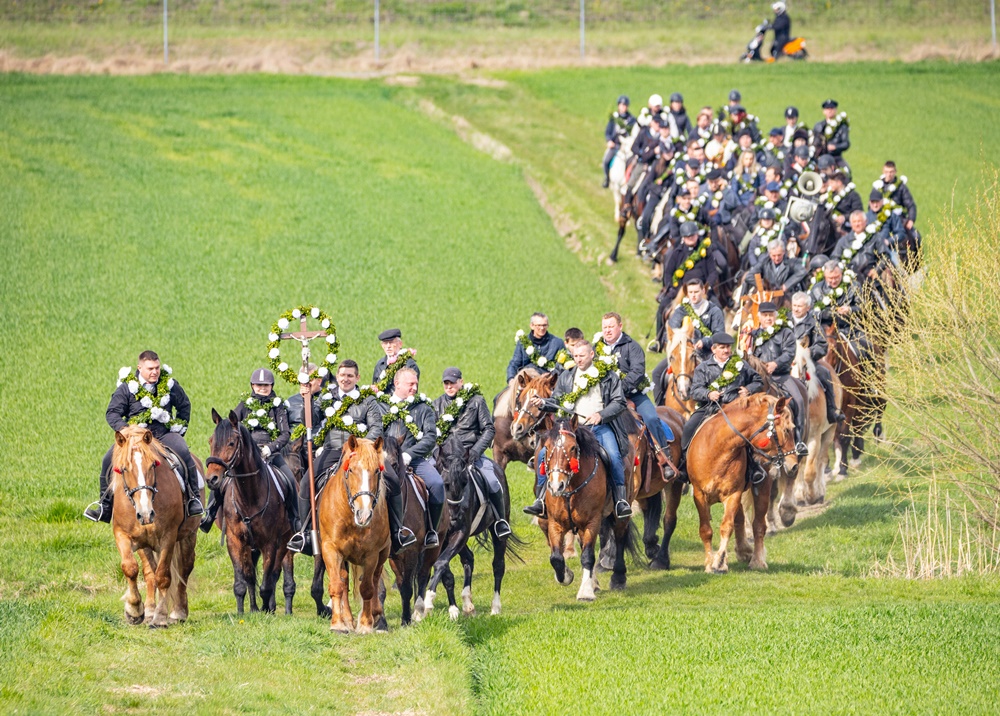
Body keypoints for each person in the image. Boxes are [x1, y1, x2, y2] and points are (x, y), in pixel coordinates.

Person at [287, 359, 415, 553]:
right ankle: (304, 534)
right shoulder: (326, 398)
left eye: (350, 375)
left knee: (392, 480)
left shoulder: (367, 400)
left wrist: (362, 448)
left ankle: (398, 531)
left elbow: (376, 428)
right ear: (337, 377)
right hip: (333, 448)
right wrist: (308, 399)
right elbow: (311, 420)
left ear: (357, 377)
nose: (345, 379)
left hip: (362, 452)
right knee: (306, 483)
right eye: (342, 375)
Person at [86, 350, 203, 523]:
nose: (154, 372)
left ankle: (194, 499)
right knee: (107, 460)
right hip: (134, 438)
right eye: (150, 368)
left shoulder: (169, 385)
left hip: (163, 435)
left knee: (184, 451)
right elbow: (112, 413)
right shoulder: (126, 388)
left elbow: (184, 405)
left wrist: (179, 428)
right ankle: (105, 505)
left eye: (156, 367)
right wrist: (126, 432)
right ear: (140, 368)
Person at [523, 341, 634, 519]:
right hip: (572, 428)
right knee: (544, 454)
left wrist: (601, 415)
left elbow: (619, 402)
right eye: (575, 356)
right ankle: (541, 499)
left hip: (600, 426)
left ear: (591, 355)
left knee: (613, 456)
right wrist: (543, 403)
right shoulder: (566, 376)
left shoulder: (608, 376)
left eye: (582, 355)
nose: (578, 359)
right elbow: (558, 400)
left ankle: (620, 500)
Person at [201, 368, 299, 533]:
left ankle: (296, 520)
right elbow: (232, 425)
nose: (262, 388)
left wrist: (270, 448)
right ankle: (210, 514)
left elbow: (285, 434)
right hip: (247, 454)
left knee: (289, 479)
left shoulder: (277, 406)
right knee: (221, 479)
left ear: (271, 386)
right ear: (252, 385)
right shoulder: (245, 404)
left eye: (266, 385)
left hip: (271, 453)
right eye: (259, 385)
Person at [432, 367, 512, 538]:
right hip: (446, 459)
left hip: (470, 455)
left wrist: (476, 450)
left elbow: (489, 429)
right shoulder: (436, 405)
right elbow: (432, 435)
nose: (449, 386)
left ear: (461, 382)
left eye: (453, 383)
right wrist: (437, 454)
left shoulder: (476, 401)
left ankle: (500, 521)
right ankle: (429, 527)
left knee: (492, 480)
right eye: (446, 383)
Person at [678, 333, 763, 477]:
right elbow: (695, 390)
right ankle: (684, 464)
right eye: (722, 348)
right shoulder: (703, 367)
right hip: (710, 408)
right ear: (713, 349)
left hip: (736, 409)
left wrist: (748, 389)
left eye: (728, 347)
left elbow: (758, 380)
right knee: (689, 427)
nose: (726, 351)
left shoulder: (741, 365)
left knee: (751, 431)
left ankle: (753, 468)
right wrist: (708, 394)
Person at [599, 313, 674, 472]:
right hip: (605, 398)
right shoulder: (597, 348)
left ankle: (665, 458)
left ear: (620, 326)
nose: (608, 331)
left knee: (652, 418)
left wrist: (619, 389)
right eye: (605, 327)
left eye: (611, 327)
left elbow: (637, 372)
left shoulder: (632, 346)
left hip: (633, 394)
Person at [380, 367, 446, 547]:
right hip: (385, 461)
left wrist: (409, 454)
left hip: (414, 460)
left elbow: (430, 437)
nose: (414, 388)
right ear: (397, 384)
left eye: (416, 384)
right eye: (410, 384)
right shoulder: (381, 406)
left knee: (437, 484)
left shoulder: (423, 408)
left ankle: (431, 530)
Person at [749, 303, 808, 454]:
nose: (768, 318)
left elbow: (789, 352)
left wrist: (776, 363)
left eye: (771, 315)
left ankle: (800, 440)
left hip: (781, 376)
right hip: (759, 380)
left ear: (775, 315)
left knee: (799, 400)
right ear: (759, 317)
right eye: (765, 315)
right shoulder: (752, 335)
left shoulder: (785, 332)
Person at [653, 222, 720, 350]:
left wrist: (706, 287)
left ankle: (718, 342)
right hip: (681, 290)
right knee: (662, 307)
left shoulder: (706, 251)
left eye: (692, 236)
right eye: (687, 236)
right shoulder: (677, 252)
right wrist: (673, 287)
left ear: (697, 235)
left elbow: (712, 272)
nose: (690, 238)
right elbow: (668, 272)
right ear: (683, 238)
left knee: (718, 308)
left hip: (702, 290)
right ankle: (659, 341)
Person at [789, 292, 844, 425]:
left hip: (807, 362)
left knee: (825, 373)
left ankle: (831, 409)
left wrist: (810, 351)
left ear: (808, 308)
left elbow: (822, 345)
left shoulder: (813, 323)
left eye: (800, 306)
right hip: (786, 361)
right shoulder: (784, 320)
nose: (796, 309)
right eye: (794, 306)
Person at [507, 312, 566, 380]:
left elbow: (562, 367)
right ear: (532, 326)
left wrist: (550, 376)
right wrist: (511, 379)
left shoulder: (557, 343)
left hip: (549, 382)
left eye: (544, 325)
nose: (542, 328)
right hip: (527, 381)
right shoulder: (522, 343)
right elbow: (514, 363)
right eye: (539, 325)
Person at [835, 210, 890, 282]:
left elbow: (885, 256)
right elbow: (835, 257)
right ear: (851, 224)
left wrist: (877, 270)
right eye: (854, 222)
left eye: (859, 221)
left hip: (871, 274)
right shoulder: (843, 241)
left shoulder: (875, 237)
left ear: (865, 221)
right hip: (850, 276)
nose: (857, 224)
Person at [742, 238, 807, 295]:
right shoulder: (764, 262)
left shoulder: (790, 263)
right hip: (768, 294)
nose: (776, 258)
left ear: (784, 252)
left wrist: (786, 285)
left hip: (785, 295)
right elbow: (749, 276)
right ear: (769, 254)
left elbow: (802, 271)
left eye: (779, 255)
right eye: (774, 255)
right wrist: (764, 285)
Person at [874, 160, 918, 233]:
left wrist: (911, 219)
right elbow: (872, 204)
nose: (889, 174)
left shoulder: (901, 187)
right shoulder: (878, 186)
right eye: (886, 172)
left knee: (915, 236)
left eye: (891, 172)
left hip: (899, 219)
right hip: (880, 218)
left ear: (895, 172)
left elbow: (910, 205)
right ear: (883, 171)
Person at [602, 95, 635, 188]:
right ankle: (607, 178)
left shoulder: (631, 120)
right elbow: (608, 131)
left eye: (625, 105)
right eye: (621, 105)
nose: (623, 107)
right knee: (606, 160)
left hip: (627, 146)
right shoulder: (614, 118)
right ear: (618, 106)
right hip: (615, 146)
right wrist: (609, 141)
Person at [285, 362, 324, 432]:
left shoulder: (326, 400)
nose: (306, 384)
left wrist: (307, 400)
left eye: (310, 380)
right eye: (303, 381)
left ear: (319, 381)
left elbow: (313, 421)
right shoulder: (290, 402)